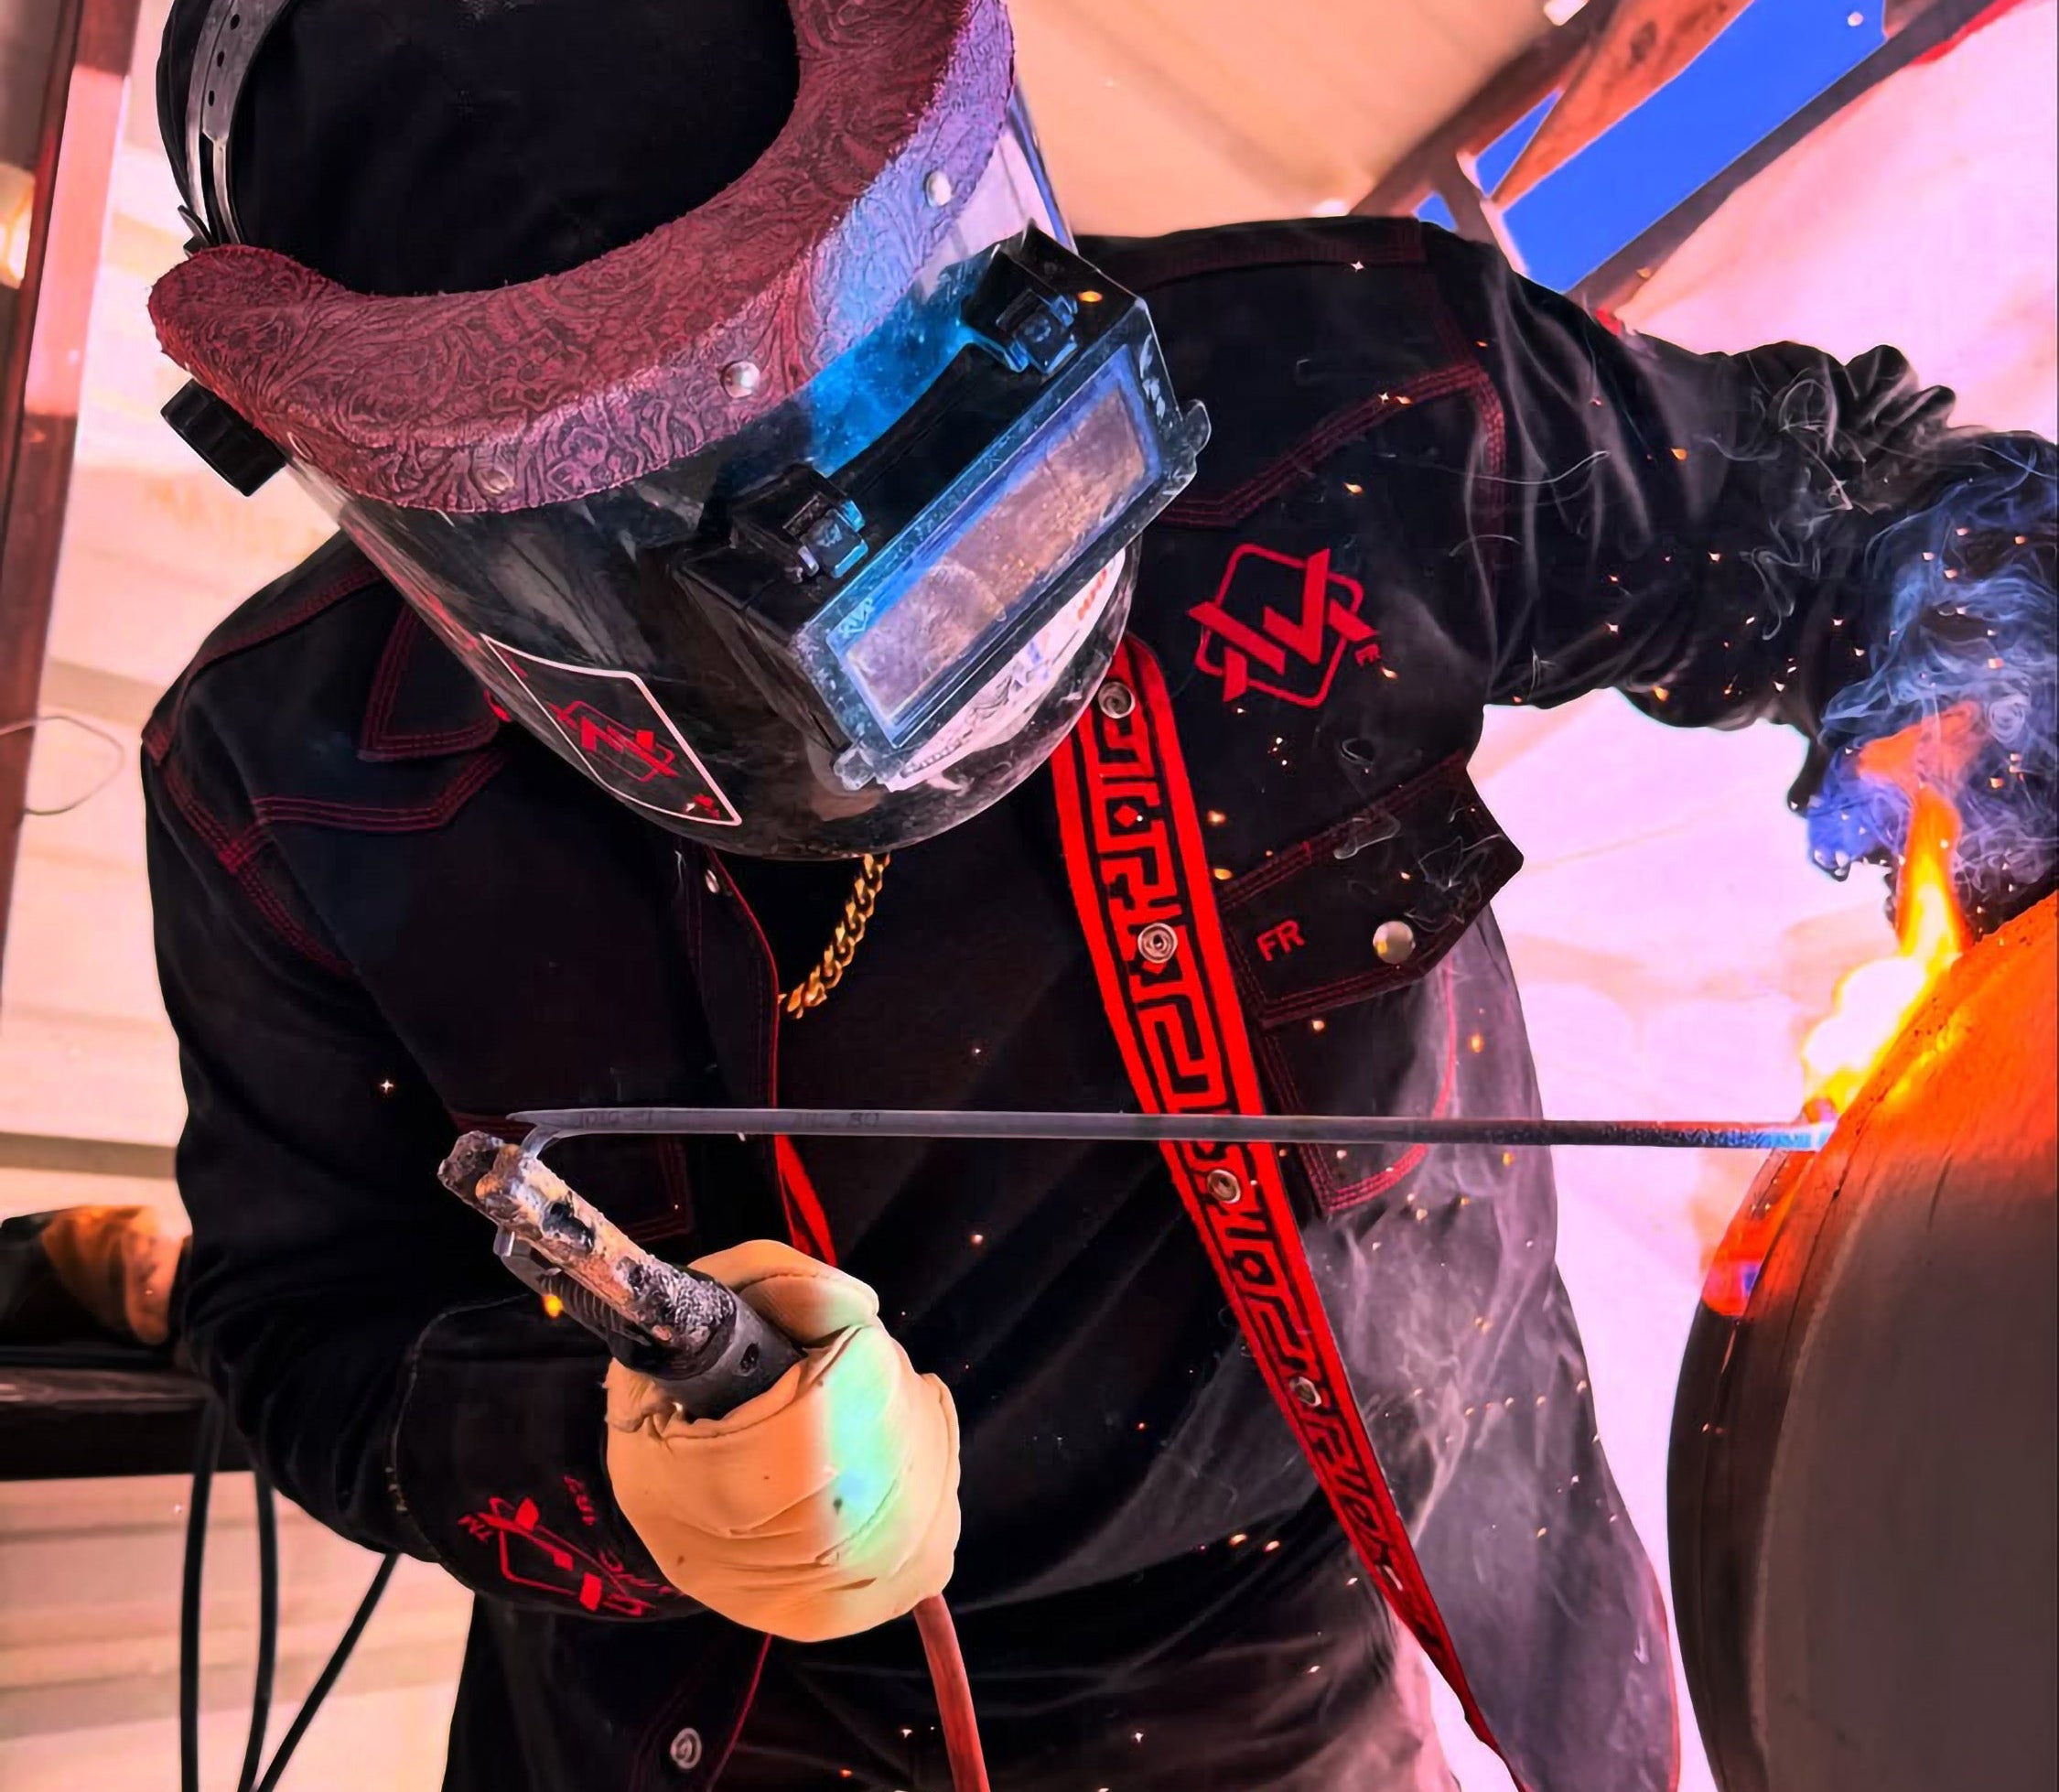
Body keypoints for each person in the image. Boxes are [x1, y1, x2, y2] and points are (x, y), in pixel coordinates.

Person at [140, 3, 2056, 1789]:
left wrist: (2002, 741)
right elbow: (303, 1318)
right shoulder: (294, 790)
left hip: (1331, 1636)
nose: (851, 508)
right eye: (659, 484)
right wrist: (611, 1470)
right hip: (741, 1716)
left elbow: (1858, 515)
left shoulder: (1352, 405)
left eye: (870, 338)